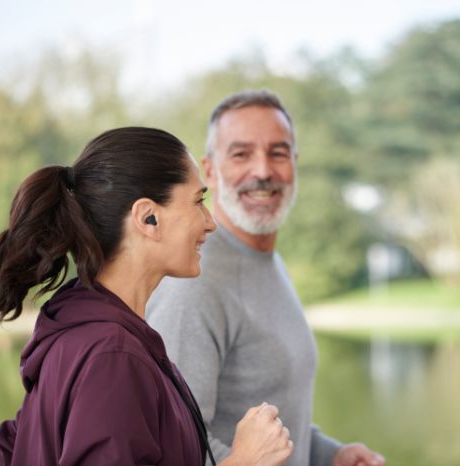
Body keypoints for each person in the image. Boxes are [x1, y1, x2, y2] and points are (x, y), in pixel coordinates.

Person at [0, 127, 293, 466]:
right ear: (148, 218)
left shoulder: (89, 331)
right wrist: (243, 462)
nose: (210, 222)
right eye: (198, 201)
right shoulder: (112, 354)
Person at [146, 91, 387, 466]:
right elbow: (174, 444)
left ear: (295, 163)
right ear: (209, 171)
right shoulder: (193, 280)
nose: (262, 171)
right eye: (241, 154)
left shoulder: (269, 261)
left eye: (278, 153)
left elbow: (272, 418)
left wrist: (329, 454)